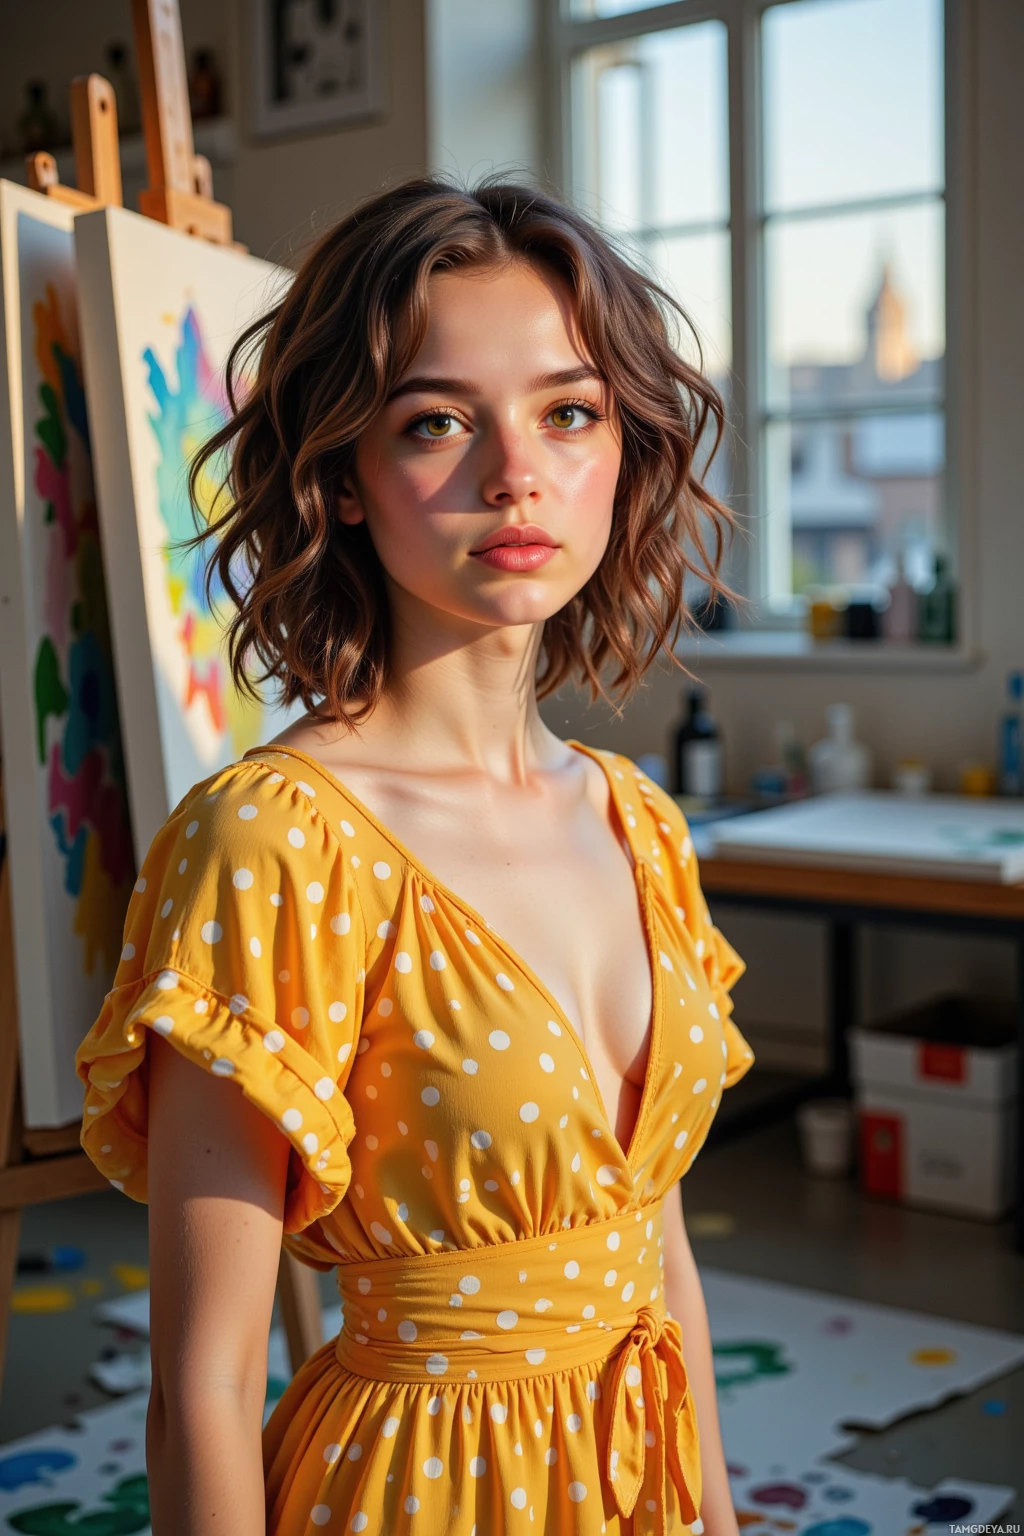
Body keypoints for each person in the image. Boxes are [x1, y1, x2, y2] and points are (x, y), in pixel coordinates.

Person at [77, 177, 755, 1536]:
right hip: (412, 1490)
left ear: (622, 451)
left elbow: (661, 1270)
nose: (516, 474)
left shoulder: (639, 820)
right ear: (340, 477)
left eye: (569, 413)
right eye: (438, 422)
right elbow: (201, 1389)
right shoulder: (277, 842)